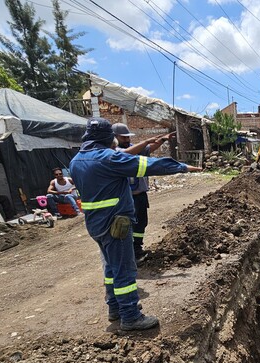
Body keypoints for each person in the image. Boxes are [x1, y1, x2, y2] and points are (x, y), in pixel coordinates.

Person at [69, 118, 203, 331]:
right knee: (124, 269)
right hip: (115, 223)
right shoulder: (107, 159)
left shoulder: (77, 160)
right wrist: (182, 167)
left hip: (94, 223)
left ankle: (114, 308)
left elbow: (122, 155)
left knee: (111, 268)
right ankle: (131, 316)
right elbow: (150, 165)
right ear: (107, 137)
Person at [112, 123, 175, 263]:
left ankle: (137, 249)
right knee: (127, 225)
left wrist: (163, 139)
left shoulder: (133, 148)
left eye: (128, 137)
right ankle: (129, 255)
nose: (127, 139)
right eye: (124, 137)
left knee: (141, 223)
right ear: (114, 137)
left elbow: (149, 148)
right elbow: (133, 151)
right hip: (126, 198)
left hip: (140, 195)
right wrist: (146, 141)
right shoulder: (114, 152)